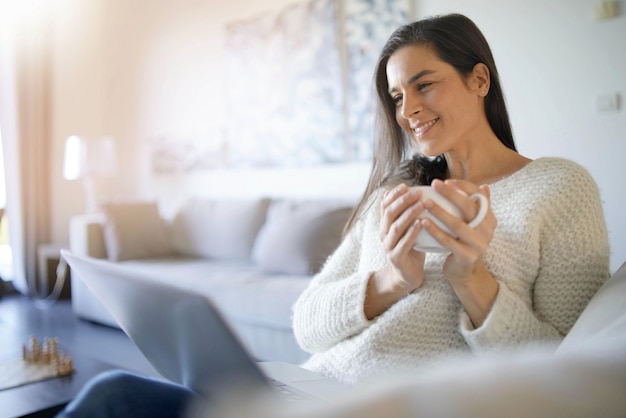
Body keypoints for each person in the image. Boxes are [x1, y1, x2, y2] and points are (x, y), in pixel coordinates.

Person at [56, 13, 610, 417]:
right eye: (395, 97)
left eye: (424, 85)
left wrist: (476, 281)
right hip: (301, 389)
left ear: (479, 80)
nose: (408, 110)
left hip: (390, 405)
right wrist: (389, 281)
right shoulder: (396, 192)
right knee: (112, 394)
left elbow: (563, 367)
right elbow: (307, 322)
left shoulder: (559, 188)